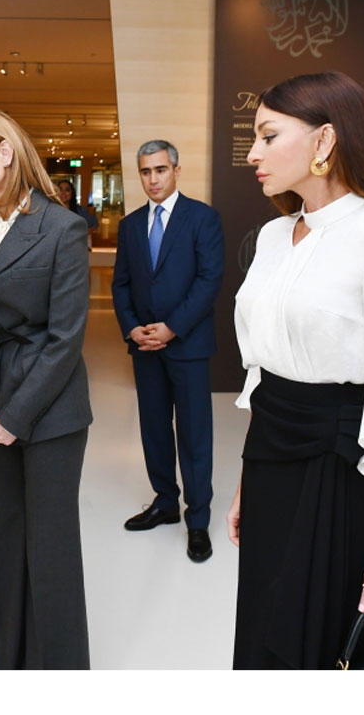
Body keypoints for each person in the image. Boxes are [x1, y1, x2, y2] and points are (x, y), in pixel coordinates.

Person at [229, 71, 364, 669]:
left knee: (321, 641)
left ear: (325, 141)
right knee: (263, 628)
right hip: (271, 459)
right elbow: (265, 374)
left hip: (341, 467)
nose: (253, 153)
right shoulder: (275, 235)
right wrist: (250, 481)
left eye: (269, 136)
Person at [0, 108, 93, 669]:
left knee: (50, 546)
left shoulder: (63, 227)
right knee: (2, 538)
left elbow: (64, 340)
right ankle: (3, 664)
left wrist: (16, 416)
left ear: (5, 151)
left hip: (50, 409)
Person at [112, 140, 224, 563]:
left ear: (176, 170)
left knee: (194, 433)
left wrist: (172, 327)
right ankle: (164, 502)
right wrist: (132, 328)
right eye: (145, 172)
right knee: (154, 428)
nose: (153, 179)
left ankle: (198, 520)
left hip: (188, 346)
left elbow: (209, 282)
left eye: (160, 169)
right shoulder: (130, 225)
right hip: (144, 347)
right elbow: (121, 284)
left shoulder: (203, 218)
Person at [56, 178, 98, 248]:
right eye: (60, 189)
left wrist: (81, 234)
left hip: (74, 249)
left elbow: (94, 223)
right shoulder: (51, 210)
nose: (63, 193)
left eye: (67, 190)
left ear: (72, 193)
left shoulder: (79, 210)